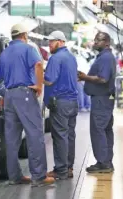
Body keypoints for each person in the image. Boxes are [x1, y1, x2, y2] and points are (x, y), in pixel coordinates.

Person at [0, 23, 55, 187]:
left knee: (12, 139)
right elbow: (39, 65)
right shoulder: (28, 49)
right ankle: (39, 176)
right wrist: (39, 85)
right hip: (24, 94)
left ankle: (14, 176)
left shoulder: (4, 53)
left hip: (9, 96)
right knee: (34, 134)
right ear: (24, 35)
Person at [78, 32, 116, 173]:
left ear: (106, 42)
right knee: (105, 129)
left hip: (101, 99)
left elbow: (103, 79)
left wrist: (85, 77)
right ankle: (106, 161)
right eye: (95, 40)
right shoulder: (105, 57)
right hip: (104, 98)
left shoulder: (106, 58)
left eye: (98, 40)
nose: (95, 42)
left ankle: (103, 163)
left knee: (98, 129)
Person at [43, 31, 79, 180]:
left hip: (60, 103)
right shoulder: (71, 57)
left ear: (61, 41)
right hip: (72, 102)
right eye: (49, 41)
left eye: (52, 41)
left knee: (60, 137)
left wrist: (37, 77)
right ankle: (69, 168)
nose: (49, 44)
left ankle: (61, 170)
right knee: (70, 136)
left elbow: (50, 80)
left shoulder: (55, 58)